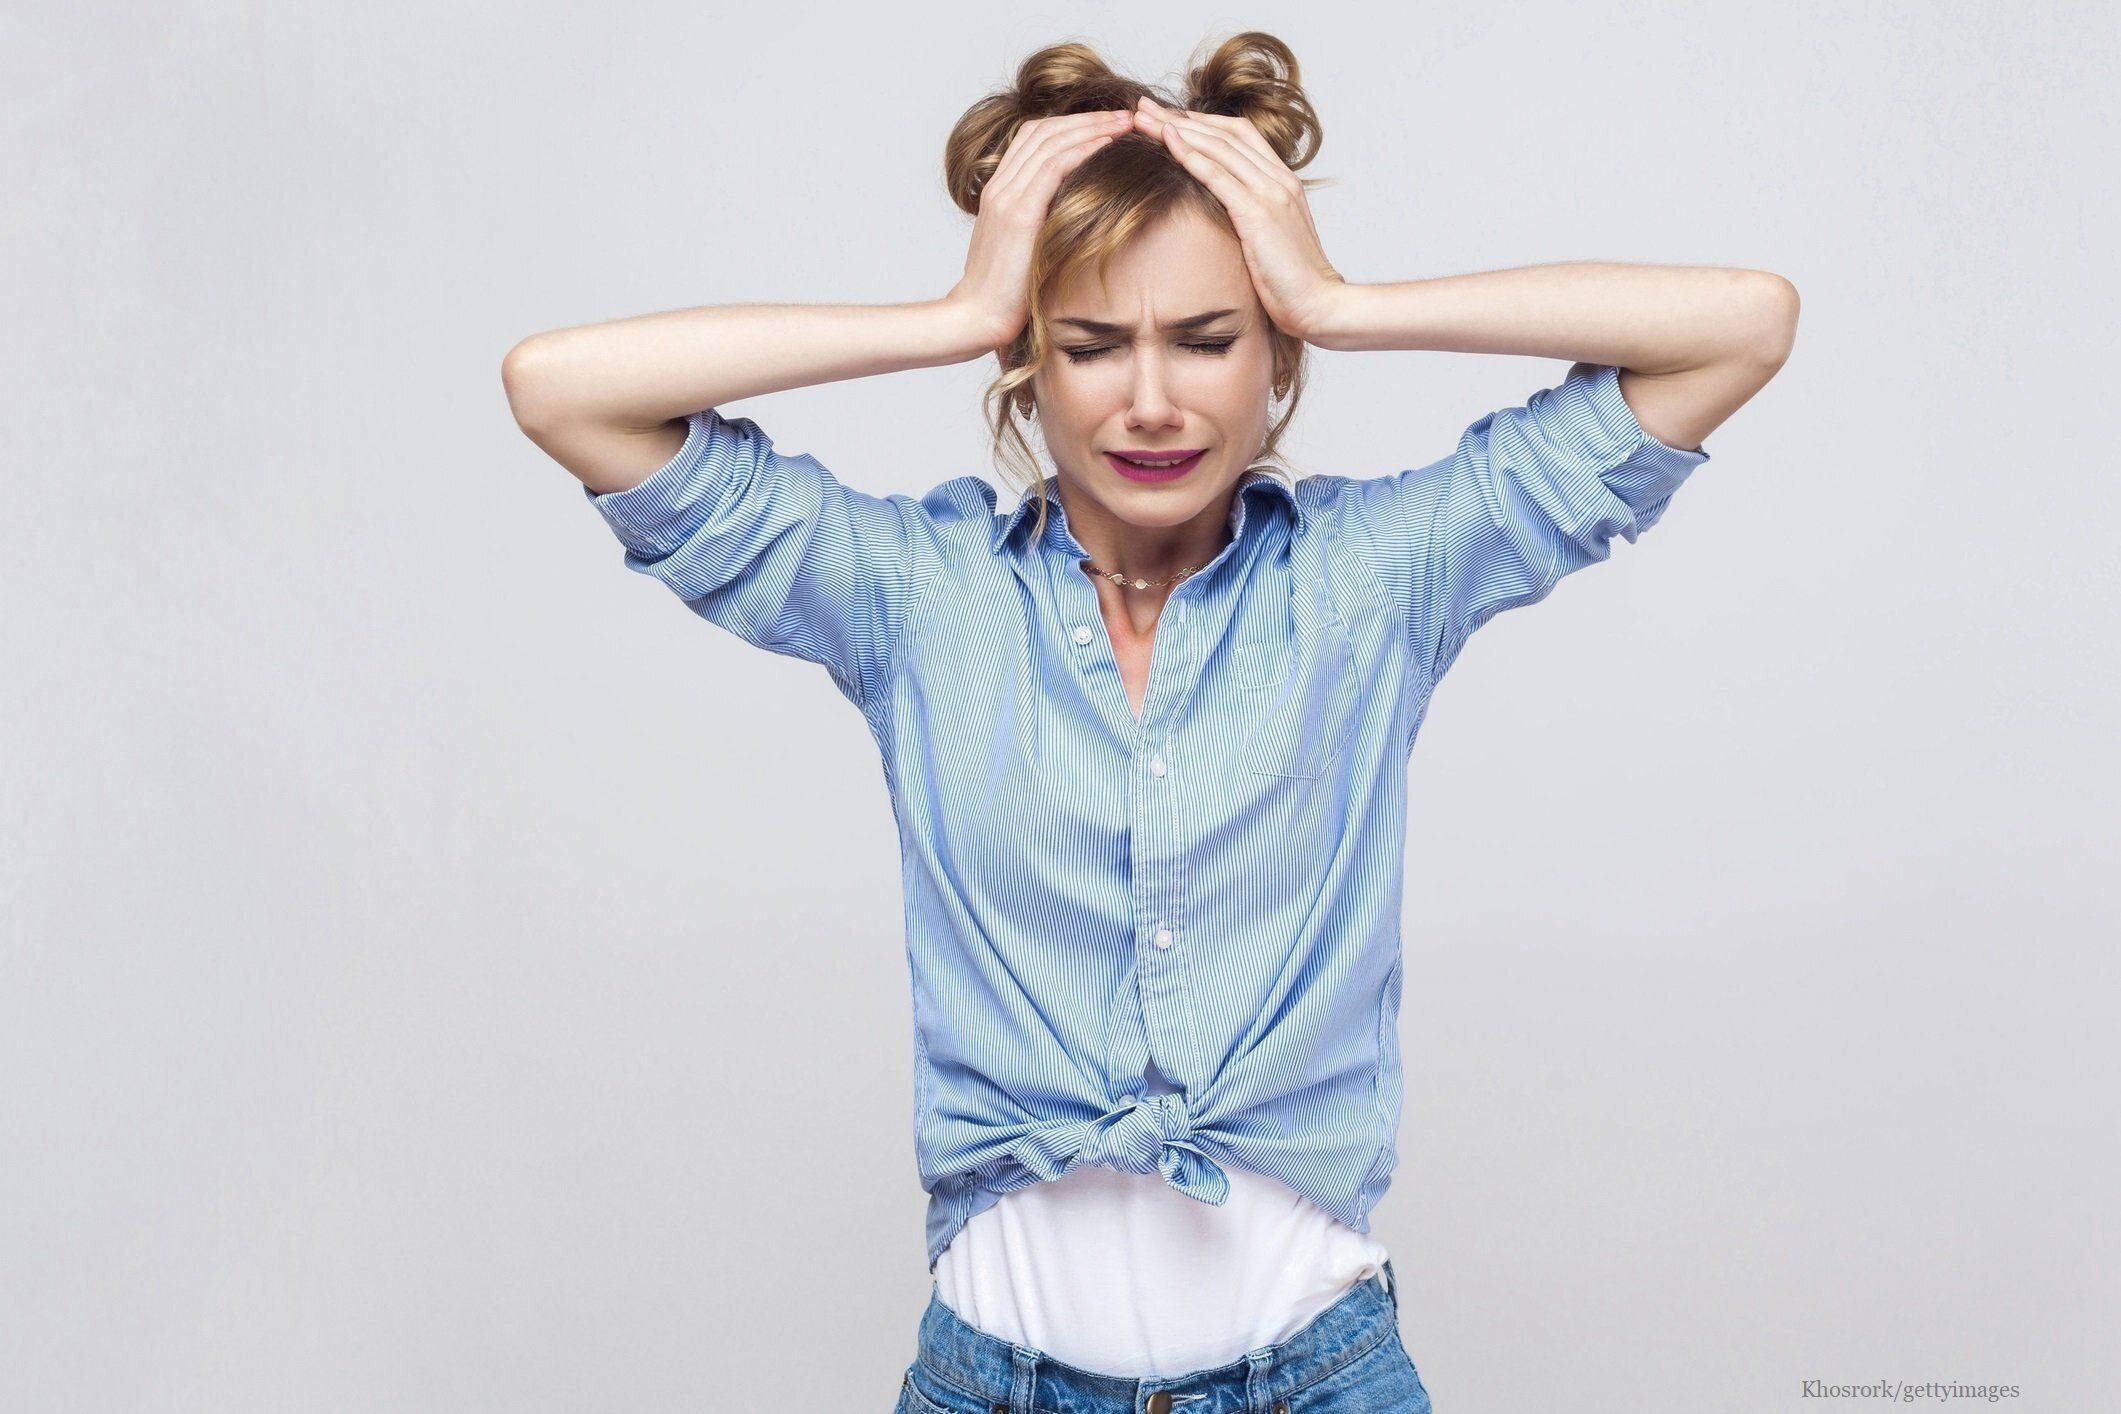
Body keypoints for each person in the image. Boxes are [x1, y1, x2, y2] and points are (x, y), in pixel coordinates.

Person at [501, 30, 1797, 1414]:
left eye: (1207, 338)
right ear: (1029, 362)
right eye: (1090, 344)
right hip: (993, 1383)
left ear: (1273, 355)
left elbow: (1743, 325)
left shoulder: (1372, 579)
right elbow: (560, 390)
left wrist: (1339, 298)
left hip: (1317, 1378)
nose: (1153, 402)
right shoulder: (919, 598)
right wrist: (954, 312)